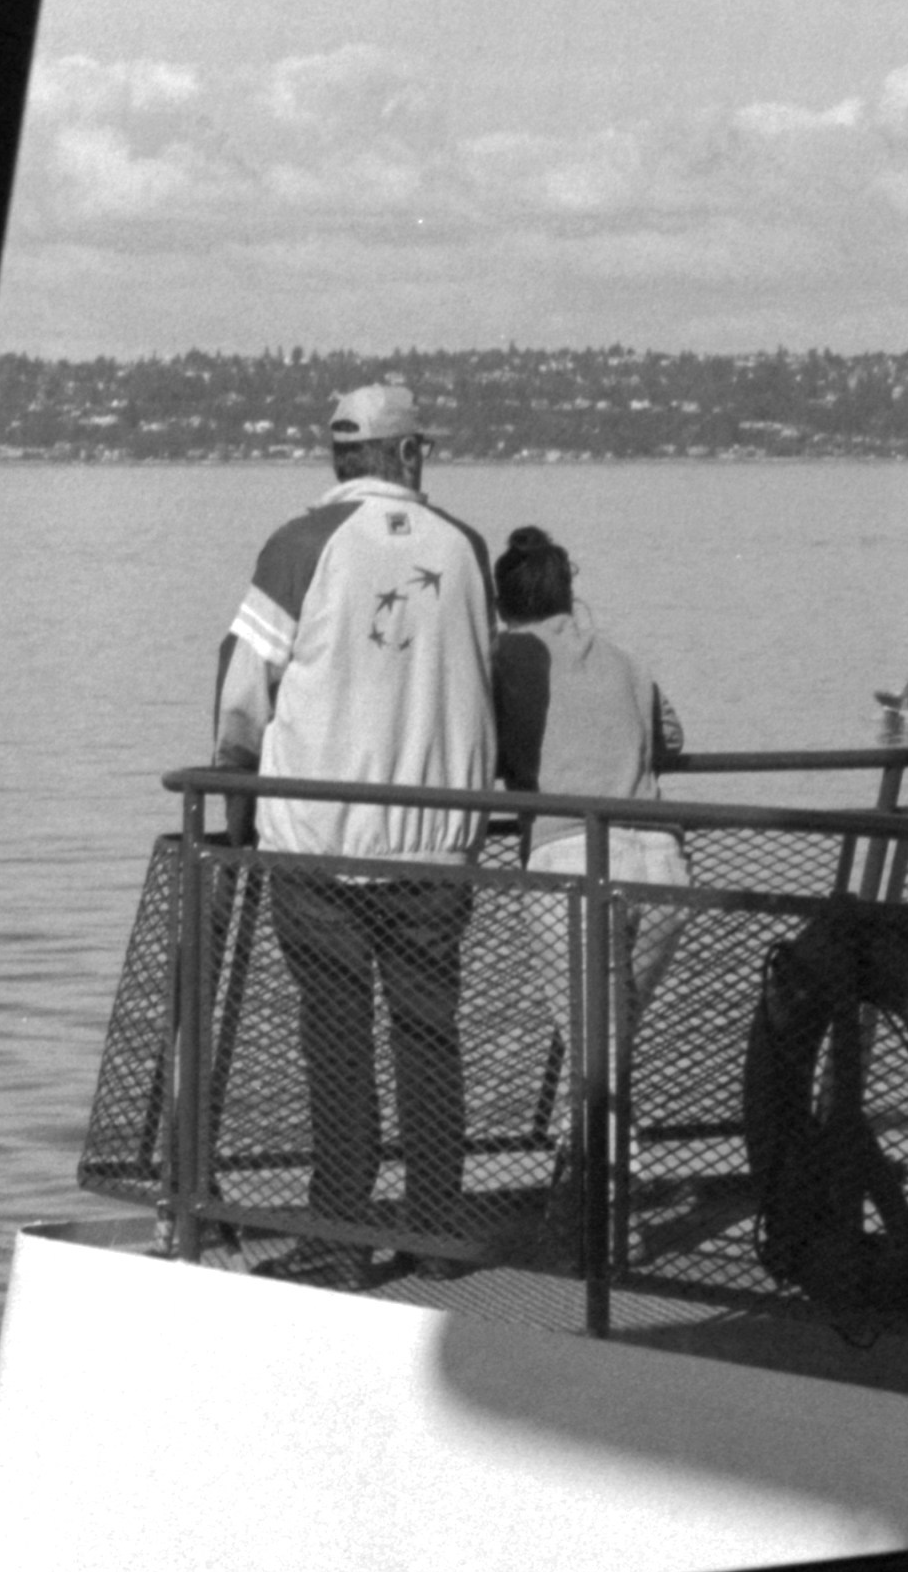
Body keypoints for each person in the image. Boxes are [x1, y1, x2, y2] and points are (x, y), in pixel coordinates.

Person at [210, 379, 499, 1280]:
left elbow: (243, 691)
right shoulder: (467, 549)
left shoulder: (299, 544)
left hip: (319, 845)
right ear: (407, 454)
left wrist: (236, 808)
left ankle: (340, 1239)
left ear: (341, 457)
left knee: (337, 1043)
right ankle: (436, 1233)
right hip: (436, 845)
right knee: (429, 1037)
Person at [488, 526, 692, 1134]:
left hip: (573, 865)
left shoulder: (502, 660)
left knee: (595, 1060)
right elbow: (672, 737)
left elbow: (473, 741)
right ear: (567, 593)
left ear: (501, 603)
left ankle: (606, 1190)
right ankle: (581, 1177)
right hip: (660, 864)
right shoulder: (623, 659)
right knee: (606, 1052)